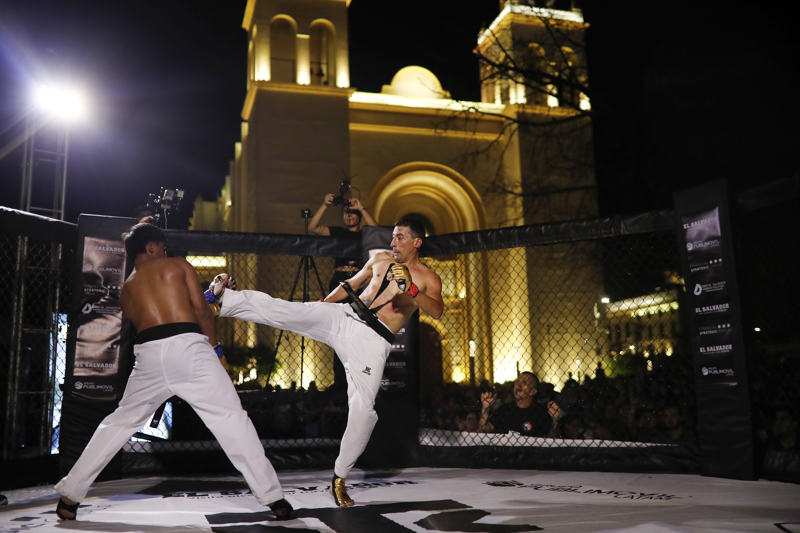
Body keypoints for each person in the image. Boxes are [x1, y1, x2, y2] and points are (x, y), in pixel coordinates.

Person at [53, 223, 292, 521]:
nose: (166, 252)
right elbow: (200, 314)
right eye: (163, 248)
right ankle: (273, 497)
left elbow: (161, 315)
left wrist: (207, 298)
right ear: (152, 247)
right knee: (231, 419)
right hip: (189, 348)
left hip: (148, 356)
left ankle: (70, 495)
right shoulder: (177, 265)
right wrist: (217, 352)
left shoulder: (126, 291)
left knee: (118, 424)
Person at [207, 217, 443, 507]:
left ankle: (338, 479)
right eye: (393, 236)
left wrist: (412, 290)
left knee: (364, 412)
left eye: (401, 237)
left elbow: (437, 311)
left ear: (417, 242)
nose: (393, 242)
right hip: (346, 316)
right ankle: (225, 301)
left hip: (372, 341)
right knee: (289, 311)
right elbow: (350, 285)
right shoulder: (380, 259)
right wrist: (321, 308)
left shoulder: (428, 278)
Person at [308, 194, 378, 390]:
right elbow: (313, 228)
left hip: (358, 282)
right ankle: (339, 380)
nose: (349, 216)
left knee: (357, 328)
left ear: (359, 216)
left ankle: (358, 377)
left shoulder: (364, 234)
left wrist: (361, 207)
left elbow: (377, 230)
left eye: (353, 213)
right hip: (338, 281)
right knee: (338, 329)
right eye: (346, 212)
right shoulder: (338, 232)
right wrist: (324, 204)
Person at [479, 372, 554, 437]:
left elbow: (552, 437)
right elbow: (484, 429)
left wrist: (555, 420)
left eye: (524, 383)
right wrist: (485, 408)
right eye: (517, 381)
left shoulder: (541, 412)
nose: (519, 385)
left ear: (533, 391)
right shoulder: (505, 409)